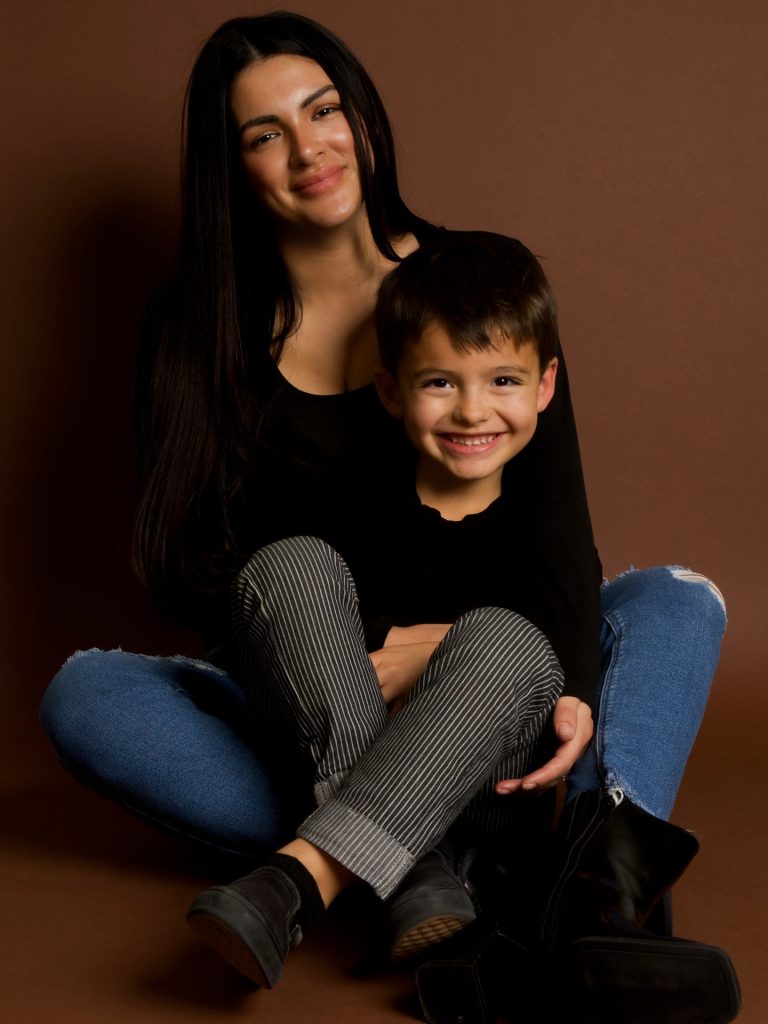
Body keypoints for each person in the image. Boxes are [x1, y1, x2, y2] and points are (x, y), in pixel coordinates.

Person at [38, 11, 738, 1022]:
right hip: (312, 688)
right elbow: (204, 571)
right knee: (89, 694)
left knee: (676, 600)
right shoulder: (194, 332)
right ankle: (443, 868)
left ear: (363, 119)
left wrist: (444, 653)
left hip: (493, 679)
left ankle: (525, 879)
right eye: (265, 133)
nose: (308, 149)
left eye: (324, 111)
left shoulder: (476, 286)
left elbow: (557, 538)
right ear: (232, 168)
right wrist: (378, 657)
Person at [185, 231, 589, 981]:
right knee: (289, 564)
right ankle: (417, 870)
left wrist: (434, 653)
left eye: (503, 381)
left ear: (545, 387)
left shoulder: (541, 522)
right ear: (392, 391)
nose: (473, 411)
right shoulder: (357, 500)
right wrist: (397, 646)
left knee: (507, 640)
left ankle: (300, 878)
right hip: (339, 746)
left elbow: (560, 647)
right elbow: (305, 642)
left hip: (483, 788)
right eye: (440, 383)